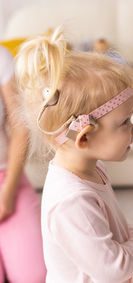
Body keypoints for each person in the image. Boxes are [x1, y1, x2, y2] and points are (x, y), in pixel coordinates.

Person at [15, 27, 133, 283]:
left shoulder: (91, 169)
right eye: (125, 122)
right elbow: (110, 270)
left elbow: (112, 230)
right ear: (84, 137)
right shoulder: (72, 201)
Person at [0, 45, 46, 282]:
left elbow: (20, 127)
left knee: (35, 276)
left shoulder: (1, 57)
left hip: (7, 179)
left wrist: (7, 194)